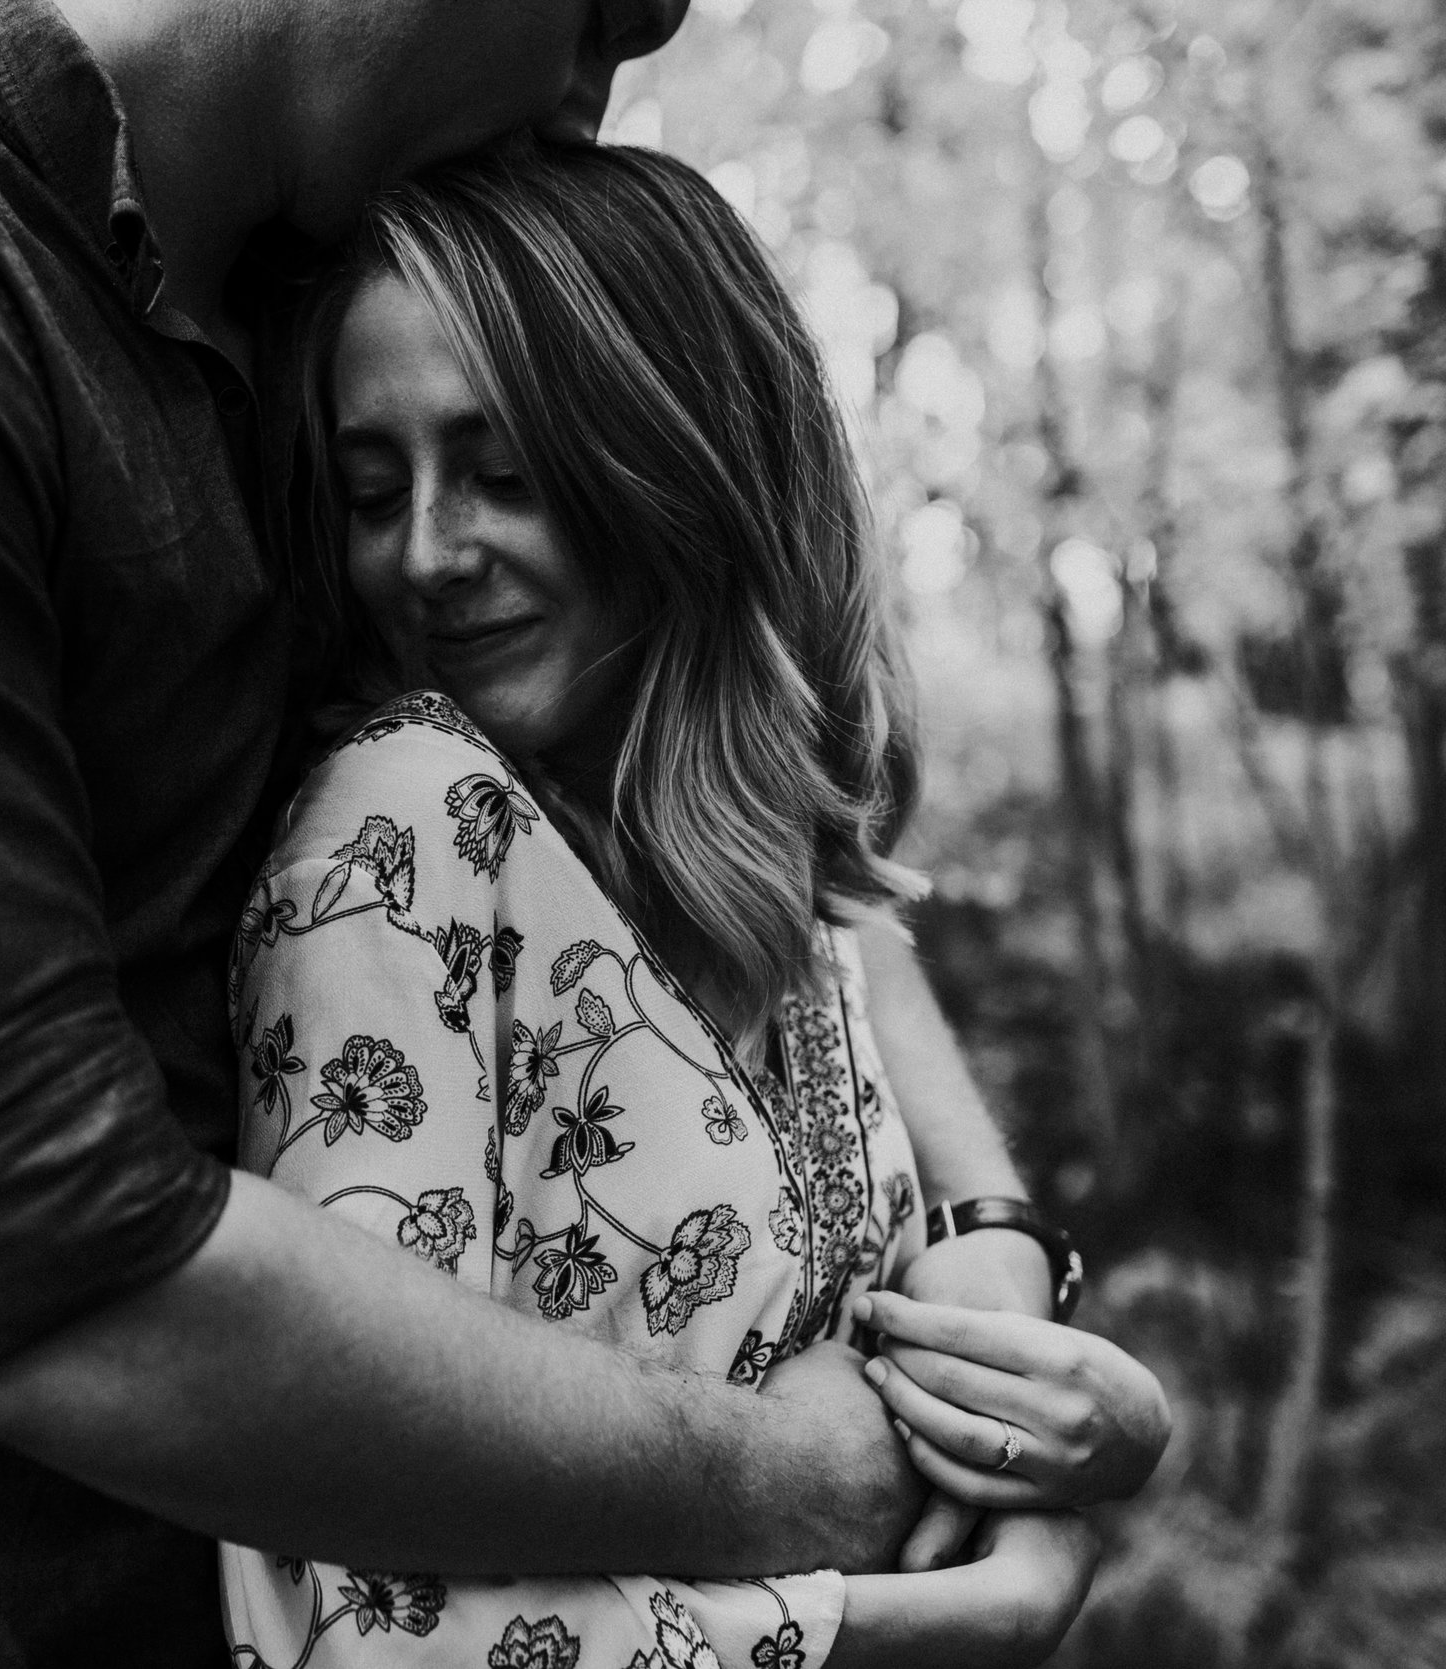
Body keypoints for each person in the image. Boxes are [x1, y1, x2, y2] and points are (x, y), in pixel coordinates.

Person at [0, 0, 1155, 1660]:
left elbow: (770, 831)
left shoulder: (300, 316)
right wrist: (832, 1476)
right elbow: (59, 1291)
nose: (634, 54)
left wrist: (992, 1256)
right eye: (615, 1)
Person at [218, 139, 1168, 1665]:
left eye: (506, 474)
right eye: (372, 489)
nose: (427, 554)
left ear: (675, 468)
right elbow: (358, 1599)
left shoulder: (778, 887)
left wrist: (1100, 1424)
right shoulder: (402, 839)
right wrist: (910, 1630)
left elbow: (912, 1366)